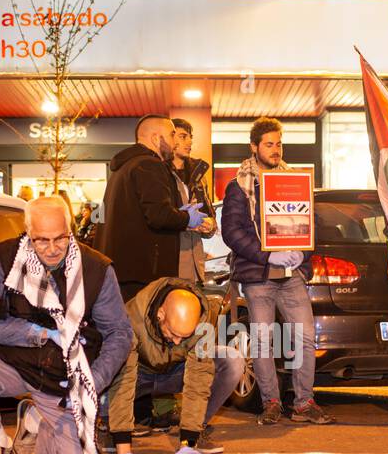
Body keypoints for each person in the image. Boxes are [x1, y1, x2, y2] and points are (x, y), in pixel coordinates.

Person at [0, 196, 133, 454]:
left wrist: (92, 383)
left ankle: (36, 423)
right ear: (27, 233)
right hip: (15, 359)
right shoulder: (5, 257)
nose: (51, 249)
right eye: (41, 240)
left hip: (63, 375)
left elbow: (120, 333)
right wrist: (39, 333)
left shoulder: (96, 268)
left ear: (70, 230)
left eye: (60, 238)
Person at [220, 116, 334, 425]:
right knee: (262, 341)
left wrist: (302, 253)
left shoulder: (294, 182)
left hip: (292, 276)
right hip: (259, 276)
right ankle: (271, 403)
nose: (275, 149)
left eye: (279, 143)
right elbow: (231, 231)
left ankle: (304, 403)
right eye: (269, 144)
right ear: (254, 147)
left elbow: (309, 224)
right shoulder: (240, 185)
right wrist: (269, 255)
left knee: (306, 338)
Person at [106, 278, 243, 454]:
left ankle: (195, 432)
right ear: (160, 314)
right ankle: (108, 428)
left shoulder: (203, 323)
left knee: (231, 359)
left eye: (184, 337)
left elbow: (198, 381)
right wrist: (124, 450)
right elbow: (124, 382)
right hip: (138, 376)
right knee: (104, 366)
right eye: (173, 334)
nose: (178, 342)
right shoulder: (131, 318)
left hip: (174, 372)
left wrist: (188, 442)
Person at [97, 114, 206, 299]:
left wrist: (177, 214)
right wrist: (187, 218)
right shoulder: (149, 165)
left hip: (125, 269)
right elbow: (159, 215)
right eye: (172, 135)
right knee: (142, 326)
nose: (175, 143)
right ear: (156, 138)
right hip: (143, 272)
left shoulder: (125, 167)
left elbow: (141, 212)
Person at [171, 118, 218, 285]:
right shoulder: (159, 173)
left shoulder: (198, 174)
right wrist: (185, 220)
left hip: (195, 265)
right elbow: (158, 217)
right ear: (170, 138)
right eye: (183, 136)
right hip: (170, 264)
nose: (189, 142)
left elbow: (210, 217)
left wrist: (210, 225)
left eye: (190, 137)